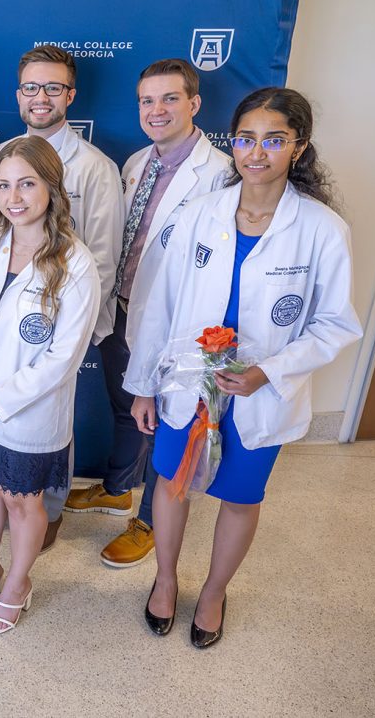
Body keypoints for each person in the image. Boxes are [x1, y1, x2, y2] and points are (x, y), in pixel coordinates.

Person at [125, 88, 362, 648]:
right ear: (232, 142)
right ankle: (164, 580)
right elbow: (159, 303)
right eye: (246, 139)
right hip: (188, 385)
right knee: (173, 485)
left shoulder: (323, 230)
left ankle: (211, 594)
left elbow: (336, 324)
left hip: (260, 393)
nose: (257, 153)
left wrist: (270, 371)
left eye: (274, 140)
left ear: (298, 148)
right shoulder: (201, 214)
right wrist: (142, 386)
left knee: (240, 494)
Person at [64, 59, 231, 567]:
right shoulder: (137, 163)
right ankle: (118, 490)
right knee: (127, 408)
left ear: (194, 104)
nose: (156, 111)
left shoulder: (220, 175)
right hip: (125, 309)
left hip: (178, 325)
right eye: (147, 101)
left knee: (169, 422)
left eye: (170, 99)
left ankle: (153, 523)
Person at [0, 137, 99, 634]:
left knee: (22, 500)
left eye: (27, 184)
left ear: (51, 189)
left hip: (26, 411)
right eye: (4, 185)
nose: (14, 197)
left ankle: (17, 582)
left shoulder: (76, 263)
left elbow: (64, 356)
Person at [0, 45, 124, 550]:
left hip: (59, 318)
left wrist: (78, 338)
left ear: (71, 94)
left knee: (49, 412)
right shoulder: (4, 154)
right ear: (18, 94)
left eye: (52, 87)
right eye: (31, 87)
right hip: (5, 306)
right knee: (6, 410)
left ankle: (47, 508)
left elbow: (105, 257)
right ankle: (5, 492)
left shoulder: (94, 167)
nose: (40, 97)